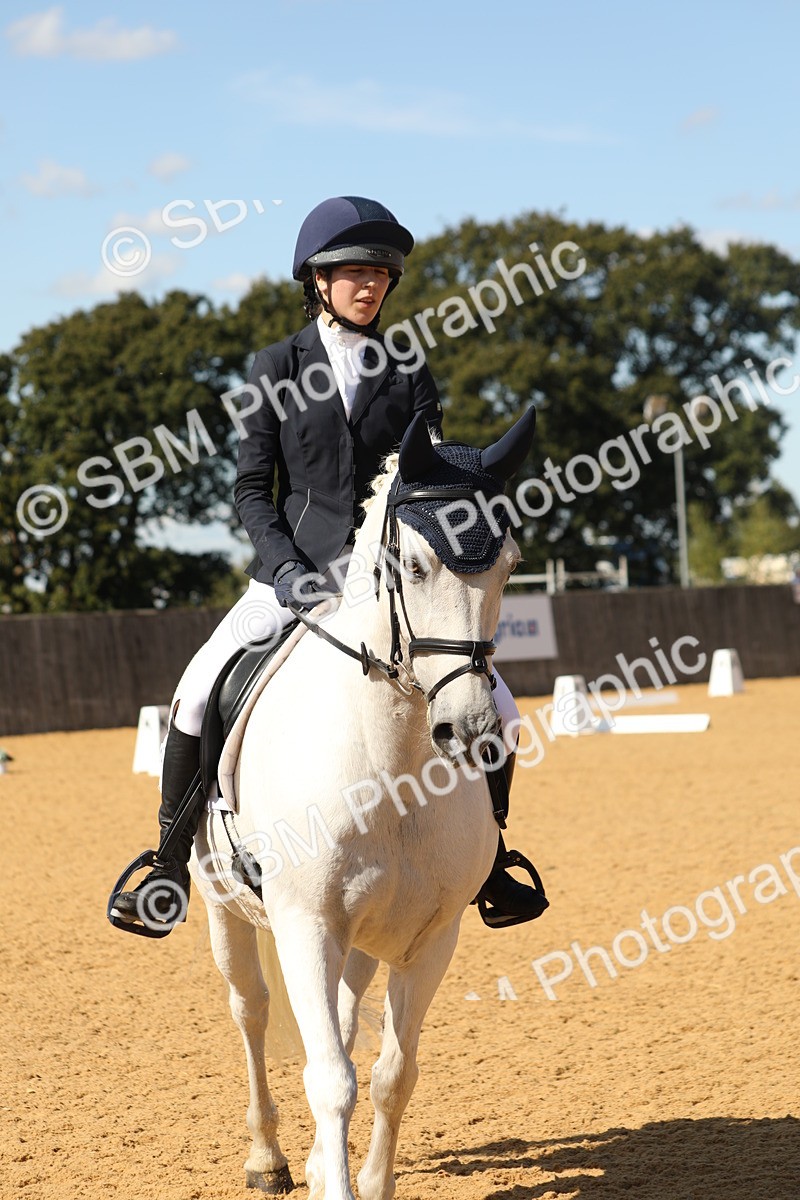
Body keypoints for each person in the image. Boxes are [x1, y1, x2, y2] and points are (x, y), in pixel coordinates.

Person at [112, 195, 545, 931]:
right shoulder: (277, 364)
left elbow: (426, 476)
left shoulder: (408, 367)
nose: (370, 284)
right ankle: (168, 860)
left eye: (381, 272)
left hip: (390, 579)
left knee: (496, 706)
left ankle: (494, 855)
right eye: (352, 272)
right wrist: (284, 569)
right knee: (195, 692)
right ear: (316, 280)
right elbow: (253, 489)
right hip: (294, 569)